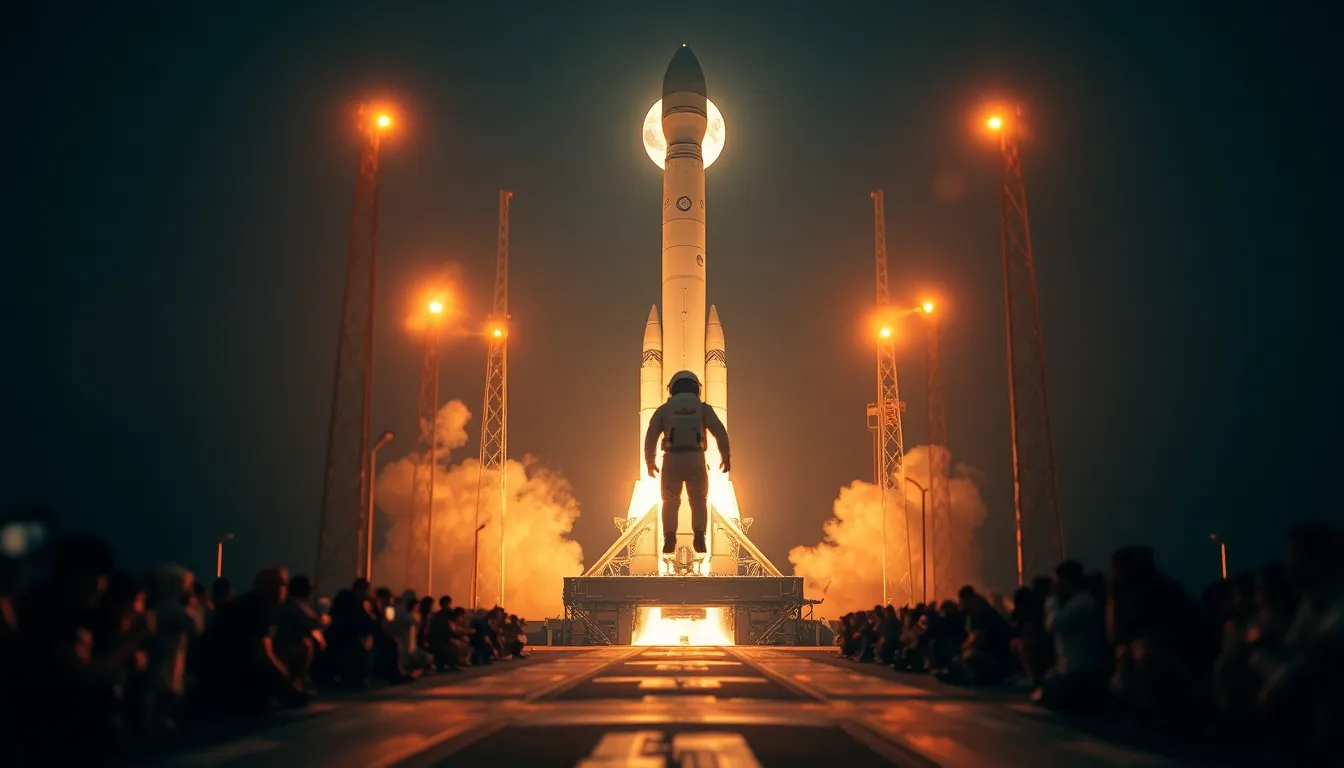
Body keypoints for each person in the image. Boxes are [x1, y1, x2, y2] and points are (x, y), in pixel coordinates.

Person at [643, 370, 731, 555]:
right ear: (696, 388)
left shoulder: (664, 410)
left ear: (672, 388)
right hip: (696, 458)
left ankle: (669, 537)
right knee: (699, 500)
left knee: (670, 500)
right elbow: (720, 432)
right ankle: (699, 534)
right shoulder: (703, 408)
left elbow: (651, 435)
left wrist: (649, 461)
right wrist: (726, 457)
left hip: (671, 459)